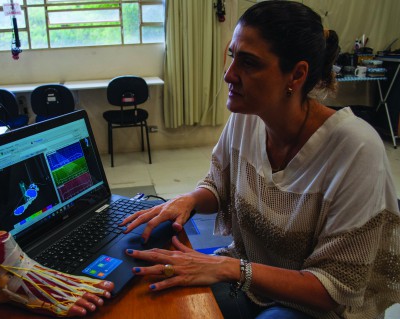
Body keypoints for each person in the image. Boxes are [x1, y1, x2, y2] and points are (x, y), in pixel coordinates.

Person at [120, 1, 400, 318]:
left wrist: (230, 268)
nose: (229, 75)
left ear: (296, 74)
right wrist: (191, 200)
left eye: (249, 63)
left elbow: (333, 289)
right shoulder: (248, 117)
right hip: (248, 276)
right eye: (232, 56)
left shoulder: (355, 148)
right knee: (156, 297)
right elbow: (218, 184)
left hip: (315, 306)